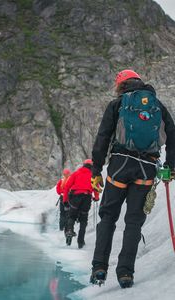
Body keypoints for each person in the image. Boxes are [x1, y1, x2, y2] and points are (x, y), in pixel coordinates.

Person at [90, 69, 175, 288]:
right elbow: (173, 136)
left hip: (120, 166)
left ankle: (99, 268)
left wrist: (96, 170)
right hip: (146, 168)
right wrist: (170, 166)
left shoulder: (117, 105)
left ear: (121, 86)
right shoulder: (157, 105)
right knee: (134, 222)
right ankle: (125, 274)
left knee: (108, 216)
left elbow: (103, 138)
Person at [63, 159, 100, 249]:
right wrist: (96, 197)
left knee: (72, 216)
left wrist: (65, 200)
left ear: (83, 165)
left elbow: (67, 187)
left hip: (75, 197)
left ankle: (69, 230)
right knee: (83, 220)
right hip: (86, 198)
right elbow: (96, 188)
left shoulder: (76, 173)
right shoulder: (94, 175)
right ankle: (80, 242)